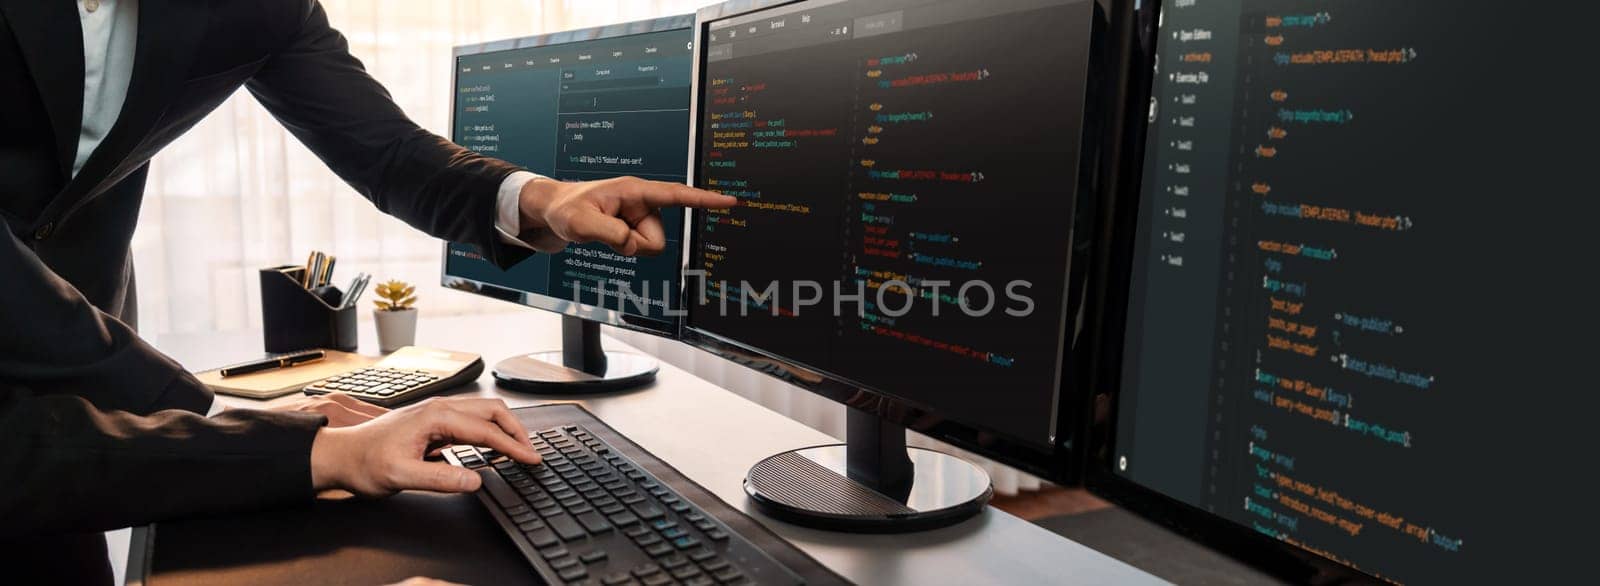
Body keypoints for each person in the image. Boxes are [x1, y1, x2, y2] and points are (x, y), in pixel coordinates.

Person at [0, 0, 735, 581]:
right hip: (69, 353)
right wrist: (217, 414)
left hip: (74, 392)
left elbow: (387, 150)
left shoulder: (260, 8)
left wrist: (541, 199)